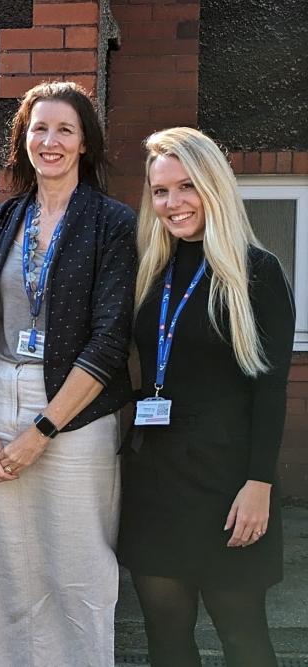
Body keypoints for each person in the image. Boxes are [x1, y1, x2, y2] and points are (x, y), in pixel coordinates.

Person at [0, 81, 136, 665]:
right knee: (0, 564)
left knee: (74, 561)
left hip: (75, 412)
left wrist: (43, 431)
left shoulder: (112, 222)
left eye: (64, 129)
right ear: (23, 139)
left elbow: (110, 340)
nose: (50, 140)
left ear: (84, 143)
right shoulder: (3, 220)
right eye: (38, 128)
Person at [118, 127, 294, 666]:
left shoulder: (256, 274)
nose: (172, 203)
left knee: (242, 636)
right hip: (156, 480)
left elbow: (271, 389)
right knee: (165, 637)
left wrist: (259, 483)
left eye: (186, 187)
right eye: (161, 191)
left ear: (214, 185)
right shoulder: (150, 270)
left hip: (228, 484)